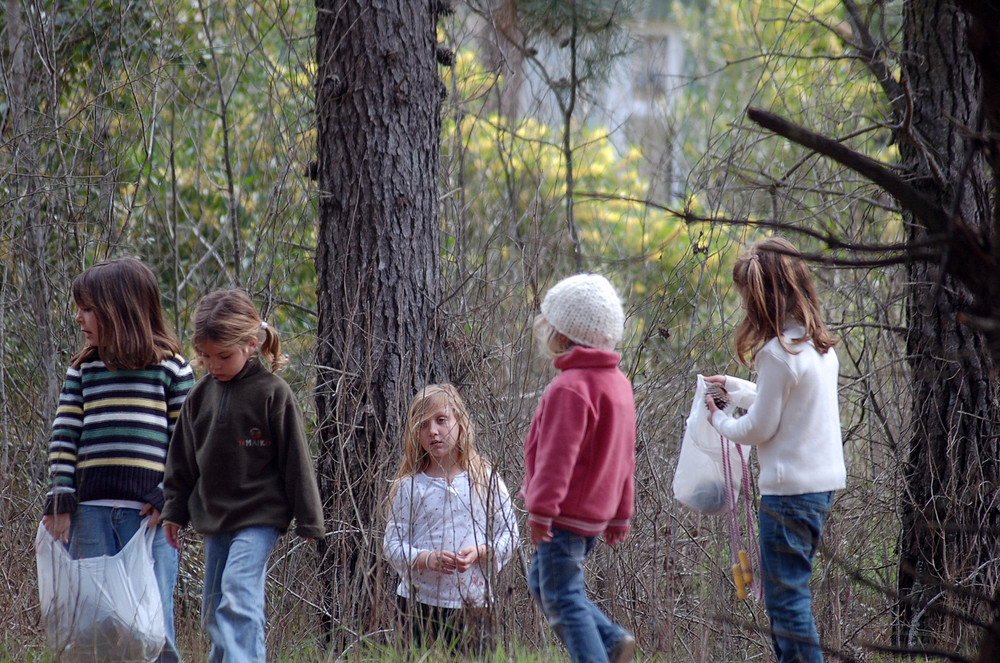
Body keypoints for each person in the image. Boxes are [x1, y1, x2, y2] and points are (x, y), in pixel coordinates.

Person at [42, 257, 195, 663]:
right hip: (89, 515)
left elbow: (190, 442)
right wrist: (60, 500)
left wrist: (171, 495)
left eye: (88, 308)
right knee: (96, 629)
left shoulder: (172, 369)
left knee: (153, 624)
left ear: (120, 309)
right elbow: (64, 436)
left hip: (149, 521)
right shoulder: (84, 370)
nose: (78, 318)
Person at [161, 289, 324, 663]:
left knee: (238, 591)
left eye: (223, 356)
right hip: (215, 519)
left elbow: (296, 461)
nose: (212, 364)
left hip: (259, 516)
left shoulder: (273, 393)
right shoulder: (199, 397)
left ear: (251, 345)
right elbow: (182, 460)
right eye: (204, 357)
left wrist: (310, 519)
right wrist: (174, 510)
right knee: (214, 605)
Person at [704, 237, 847, 663]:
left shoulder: (775, 355)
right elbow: (784, 404)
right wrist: (734, 388)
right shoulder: (817, 349)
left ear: (762, 299)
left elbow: (759, 427)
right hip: (819, 491)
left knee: (786, 604)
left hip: (786, 498)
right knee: (791, 596)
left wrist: (718, 420)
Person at [521, 273, 637, 663]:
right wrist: (620, 514)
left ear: (563, 336)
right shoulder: (618, 384)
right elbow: (625, 459)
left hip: (564, 516)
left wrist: (541, 510)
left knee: (563, 596)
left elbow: (557, 458)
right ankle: (610, 640)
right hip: (592, 517)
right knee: (544, 582)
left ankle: (600, 650)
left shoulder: (570, 388)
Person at [382, 383, 519, 655]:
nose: (433, 431)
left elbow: (511, 534)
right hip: (417, 605)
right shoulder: (410, 487)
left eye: (441, 420)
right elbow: (392, 544)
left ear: (460, 422)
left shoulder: (484, 480)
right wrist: (426, 558)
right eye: (423, 425)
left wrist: (482, 552)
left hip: (474, 604)